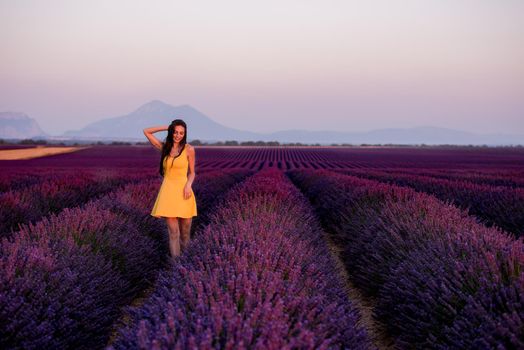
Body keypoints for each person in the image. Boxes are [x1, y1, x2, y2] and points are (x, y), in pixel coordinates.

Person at [143, 119, 197, 258]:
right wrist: (168, 127)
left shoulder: (189, 149)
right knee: (173, 234)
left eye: (181, 133)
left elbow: (192, 172)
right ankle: (176, 267)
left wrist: (188, 185)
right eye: (175, 132)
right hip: (168, 193)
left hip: (184, 193)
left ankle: (186, 264)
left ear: (185, 134)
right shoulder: (164, 148)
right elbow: (146, 131)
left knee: (185, 235)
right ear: (171, 132)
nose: (178, 135)